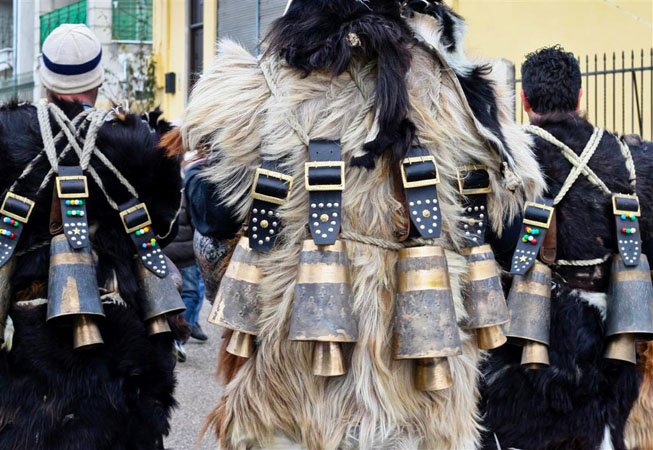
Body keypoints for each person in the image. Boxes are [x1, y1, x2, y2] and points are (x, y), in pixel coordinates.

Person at [181, 1, 543, 448]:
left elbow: (212, 214)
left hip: (291, 391)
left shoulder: (258, 86)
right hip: (423, 396)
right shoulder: (467, 98)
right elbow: (509, 232)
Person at [0, 24, 183, 449]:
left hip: (25, 342)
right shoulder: (144, 142)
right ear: (98, 79)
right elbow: (164, 228)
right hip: (122, 337)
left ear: (45, 80)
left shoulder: (7, 133)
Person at [480, 46, 653, 450]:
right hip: (613, 350)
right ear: (580, 97)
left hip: (519, 353)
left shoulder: (501, 160)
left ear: (523, 100)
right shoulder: (633, 160)